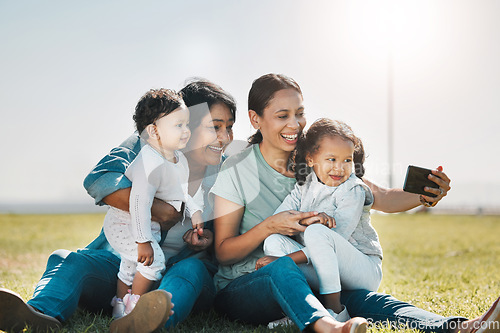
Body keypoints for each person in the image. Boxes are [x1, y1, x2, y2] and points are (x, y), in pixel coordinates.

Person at [210, 73, 500, 333]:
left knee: (364, 300)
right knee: (281, 269)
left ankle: (461, 327)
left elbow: (380, 196)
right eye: (282, 115)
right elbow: (224, 253)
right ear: (255, 119)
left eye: (299, 113)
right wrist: (271, 226)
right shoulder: (238, 169)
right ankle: (328, 327)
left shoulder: (318, 157)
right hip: (248, 284)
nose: (295, 124)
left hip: (308, 274)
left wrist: (424, 194)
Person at [0, 79, 237, 333]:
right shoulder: (149, 145)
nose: (224, 138)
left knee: (192, 268)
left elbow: (227, 241)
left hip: (178, 279)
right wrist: (159, 210)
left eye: (230, 128)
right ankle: (39, 315)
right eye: (215, 127)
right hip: (128, 272)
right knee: (68, 259)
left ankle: (146, 322)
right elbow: (100, 179)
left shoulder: (227, 173)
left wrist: (206, 239)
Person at [257, 118, 383, 323]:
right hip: (322, 264)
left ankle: (335, 310)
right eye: (331, 159)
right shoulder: (304, 186)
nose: (339, 168)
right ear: (310, 159)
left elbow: (331, 241)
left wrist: (286, 260)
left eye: (347, 160)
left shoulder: (353, 190)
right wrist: (310, 219)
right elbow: (279, 220)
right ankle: (304, 307)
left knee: (317, 233)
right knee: (272, 241)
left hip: (362, 270)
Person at [104, 88, 203, 319]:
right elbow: (139, 203)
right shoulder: (149, 162)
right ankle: (133, 310)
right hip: (124, 225)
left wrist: (195, 210)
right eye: (178, 125)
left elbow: (181, 194)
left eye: (186, 124)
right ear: (153, 131)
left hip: (143, 226)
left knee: (129, 268)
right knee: (154, 263)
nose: (186, 131)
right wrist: (143, 241)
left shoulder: (179, 159)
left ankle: (118, 307)